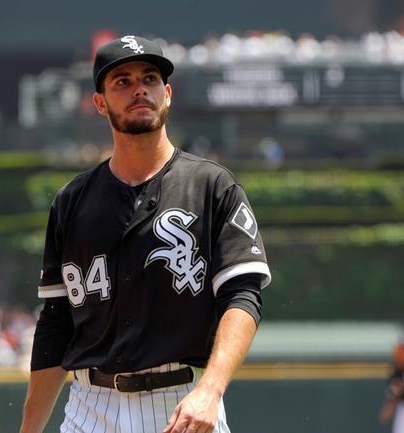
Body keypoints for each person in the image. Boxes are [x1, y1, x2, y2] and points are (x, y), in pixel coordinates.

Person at [19, 35, 271, 433]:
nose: (139, 89)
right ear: (100, 102)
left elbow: (243, 295)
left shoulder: (212, 187)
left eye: (150, 78)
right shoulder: (72, 201)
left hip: (180, 402)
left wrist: (212, 389)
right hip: (89, 406)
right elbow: (56, 322)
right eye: (122, 81)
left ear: (166, 94)